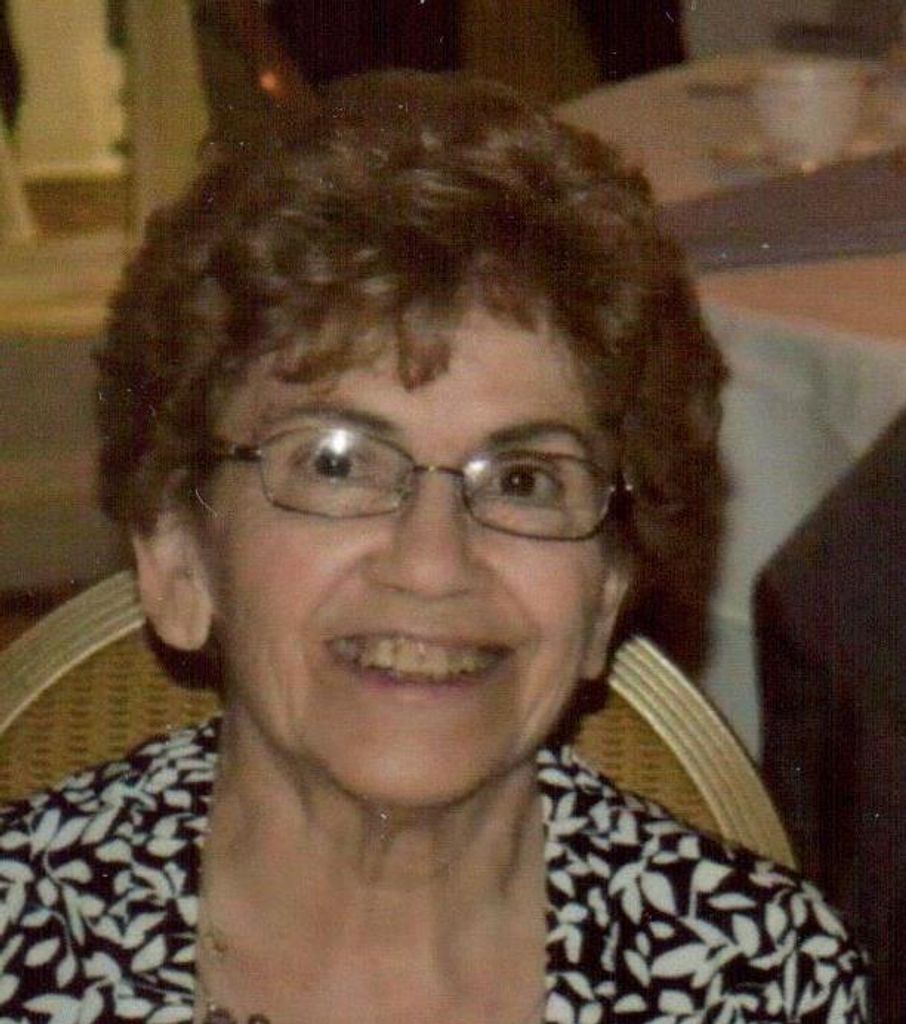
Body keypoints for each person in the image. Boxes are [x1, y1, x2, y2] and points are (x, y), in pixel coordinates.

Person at [0, 72, 867, 1023]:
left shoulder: (754, 979)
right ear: (178, 559)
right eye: (336, 463)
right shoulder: (19, 939)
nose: (432, 562)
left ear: (605, 596)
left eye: (525, 479)